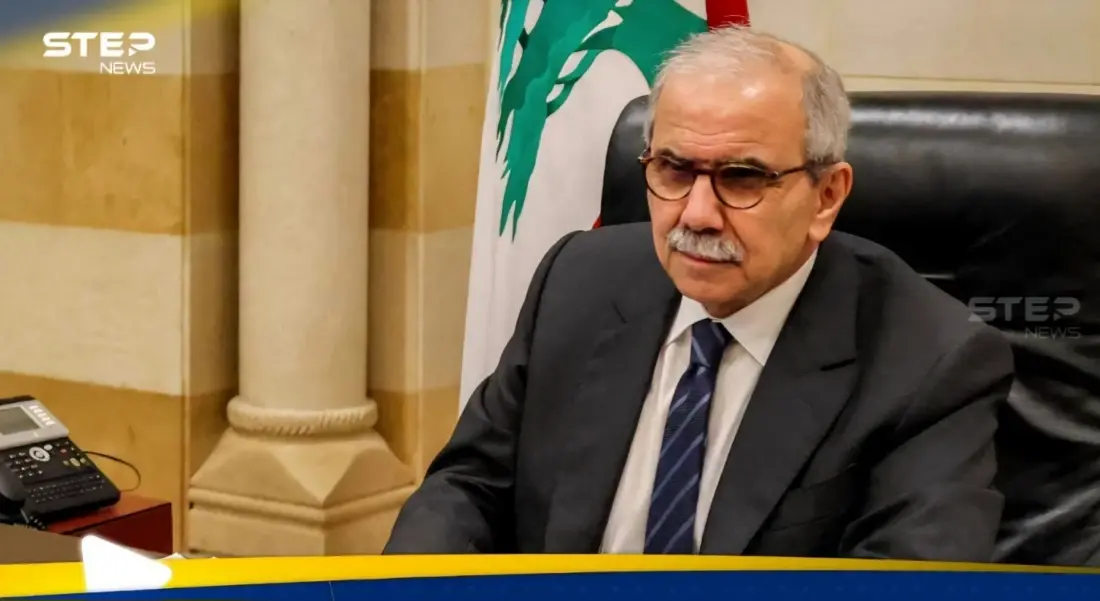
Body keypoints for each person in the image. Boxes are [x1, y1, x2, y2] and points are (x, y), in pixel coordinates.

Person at [384, 26, 1014, 560]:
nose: (697, 215)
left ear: (826, 196)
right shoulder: (578, 280)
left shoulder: (931, 364)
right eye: (673, 169)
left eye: (742, 178)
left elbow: (907, 581)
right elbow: (469, 486)